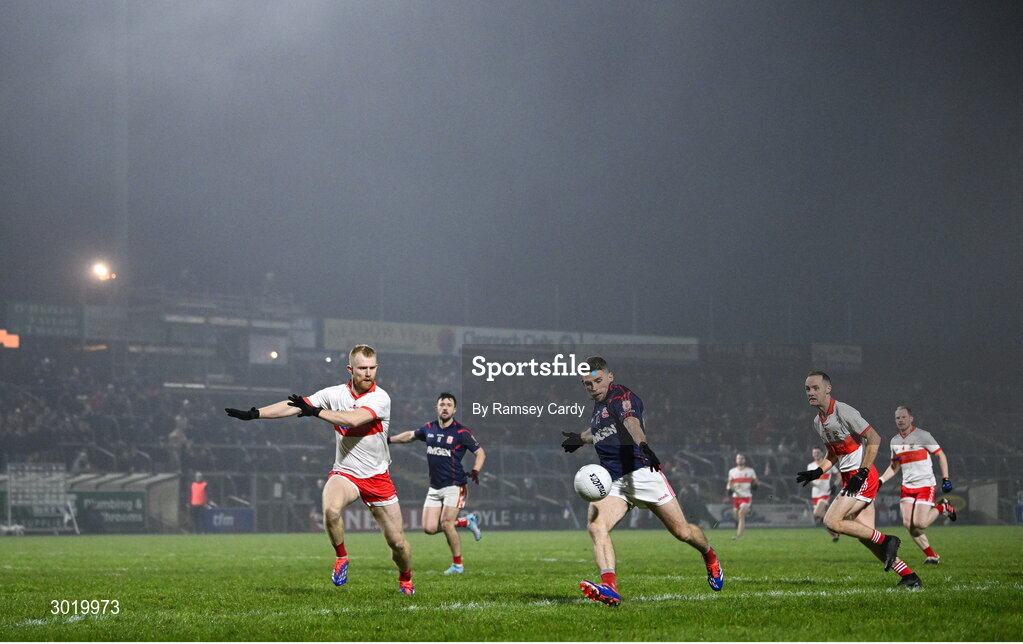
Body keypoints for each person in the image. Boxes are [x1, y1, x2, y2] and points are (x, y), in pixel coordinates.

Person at [225, 344, 415, 595]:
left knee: (398, 543)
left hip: (378, 477)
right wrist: (254, 414)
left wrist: (315, 411)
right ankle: (341, 558)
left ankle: (405, 578)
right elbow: (295, 405)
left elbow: (353, 419)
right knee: (330, 509)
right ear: (350, 369)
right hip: (346, 472)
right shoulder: (334, 393)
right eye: (362, 368)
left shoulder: (381, 398)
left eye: (372, 368)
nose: (368, 373)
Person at [561, 356, 723, 607]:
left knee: (682, 532)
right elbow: (599, 432)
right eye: (587, 383)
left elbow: (631, 423)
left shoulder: (621, 397)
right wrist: (579, 438)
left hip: (641, 473)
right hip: (613, 481)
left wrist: (644, 445)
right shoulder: (598, 407)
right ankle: (610, 588)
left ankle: (709, 556)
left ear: (610, 377)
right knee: (596, 526)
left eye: (597, 380)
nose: (593, 387)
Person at [796, 372, 921, 588]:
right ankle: (909, 576)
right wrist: (818, 471)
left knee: (831, 522)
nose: (811, 392)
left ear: (828, 389)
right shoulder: (818, 421)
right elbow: (834, 454)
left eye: (815, 388)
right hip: (851, 478)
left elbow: (874, 437)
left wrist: (862, 472)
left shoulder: (843, 411)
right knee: (866, 537)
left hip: (861, 476)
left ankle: (888, 540)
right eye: (807, 389)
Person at [389, 392, 485, 574]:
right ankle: (466, 522)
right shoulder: (429, 429)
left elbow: (480, 452)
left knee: (447, 523)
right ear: (437, 408)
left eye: (449, 405)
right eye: (442, 404)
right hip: (434, 487)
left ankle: (458, 564)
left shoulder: (461, 432)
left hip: (455, 485)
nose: (445, 407)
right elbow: (410, 435)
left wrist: (475, 470)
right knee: (429, 528)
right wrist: (388, 440)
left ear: (454, 409)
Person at [877, 406, 957, 564]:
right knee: (909, 525)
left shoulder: (923, 436)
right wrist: (881, 480)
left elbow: (940, 455)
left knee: (920, 523)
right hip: (907, 486)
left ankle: (943, 507)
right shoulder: (895, 441)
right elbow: (894, 466)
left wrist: (946, 479)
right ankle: (932, 556)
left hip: (925, 484)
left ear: (911, 418)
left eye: (903, 417)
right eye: (897, 418)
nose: (900, 420)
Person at [806, 447, 841, 542]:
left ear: (822, 453)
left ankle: (834, 525)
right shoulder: (810, 466)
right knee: (821, 518)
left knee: (817, 513)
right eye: (814, 453)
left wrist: (835, 485)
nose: (816, 454)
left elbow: (839, 475)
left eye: (817, 452)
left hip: (825, 492)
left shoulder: (828, 463)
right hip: (815, 493)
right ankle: (835, 534)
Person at [726, 453, 758, 540]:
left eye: (742, 458)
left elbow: (756, 482)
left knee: (741, 514)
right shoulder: (732, 471)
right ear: (736, 460)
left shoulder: (750, 471)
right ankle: (745, 516)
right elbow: (729, 484)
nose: (740, 460)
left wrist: (755, 485)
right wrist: (729, 489)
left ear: (745, 460)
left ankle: (738, 536)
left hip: (746, 497)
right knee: (737, 516)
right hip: (736, 497)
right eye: (738, 458)